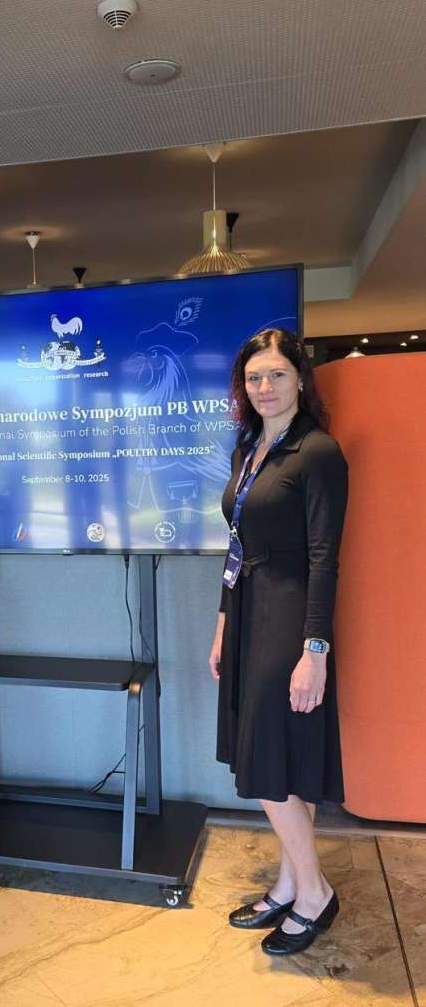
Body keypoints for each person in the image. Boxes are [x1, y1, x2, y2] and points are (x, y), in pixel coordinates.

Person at [209, 328, 348, 957]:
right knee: (283, 757)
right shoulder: (249, 448)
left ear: (300, 380)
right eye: (254, 377)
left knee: (269, 758)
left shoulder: (318, 452)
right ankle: (291, 884)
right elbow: (236, 545)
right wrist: (222, 624)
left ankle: (315, 894)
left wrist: (314, 650)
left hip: (290, 617)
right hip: (247, 609)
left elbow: (325, 559)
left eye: (276, 375)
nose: (264, 387)